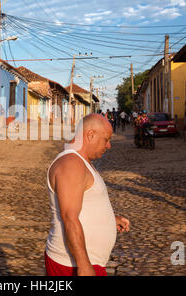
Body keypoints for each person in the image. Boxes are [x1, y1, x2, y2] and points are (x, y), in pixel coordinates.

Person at [45, 114, 130, 276]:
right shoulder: (71, 164)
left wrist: (110, 220)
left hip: (86, 262)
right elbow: (70, 217)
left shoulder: (80, 161)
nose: (109, 145)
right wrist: (84, 265)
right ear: (90, 135)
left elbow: (82, 205)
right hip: (72, 265)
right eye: (106, 140)